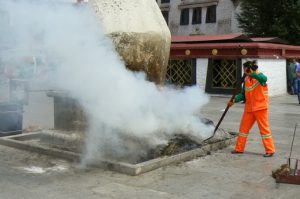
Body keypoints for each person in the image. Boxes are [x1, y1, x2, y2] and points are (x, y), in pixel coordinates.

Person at [228, 61, 275, 157]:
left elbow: (264, 79)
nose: (244, 72)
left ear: (250, 69)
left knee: (264, 130)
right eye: (244, 70)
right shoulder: (246, 80)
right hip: (249, 108)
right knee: (243, 129)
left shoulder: (258, 75)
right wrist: (234, 100)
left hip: (260, 107)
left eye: (245, 70)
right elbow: (243, 95)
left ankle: (270, 150)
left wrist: (252, 74)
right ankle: (239, 149)